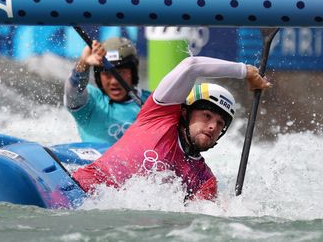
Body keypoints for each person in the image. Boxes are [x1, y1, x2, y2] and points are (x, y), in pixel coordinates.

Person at [72, 56, 271, 201]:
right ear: (185, 113)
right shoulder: (158, 116)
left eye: (220, 124)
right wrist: (246, 72)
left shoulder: (204, 181)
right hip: (80, 191)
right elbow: (191, 66)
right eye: (207, 116)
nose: (212, 126)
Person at [64, 37, 151, 143]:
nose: (114, 81)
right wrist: (84, 64)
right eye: (107, 73)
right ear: (98, 76)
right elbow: (72, 93)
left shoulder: (151, 102)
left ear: (132, 73)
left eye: (121, 73)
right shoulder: (90, 102)